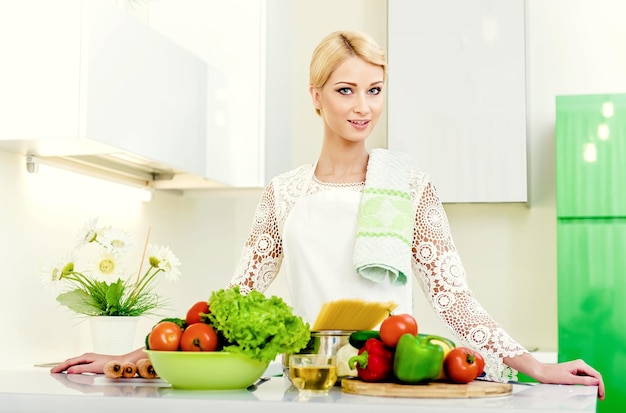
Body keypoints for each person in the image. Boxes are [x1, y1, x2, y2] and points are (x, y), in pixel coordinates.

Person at [51, 29, 605, 400]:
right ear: (316, 97)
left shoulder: (408, 185)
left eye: (374, 90)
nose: (363, 107)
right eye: (346, 90)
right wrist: (139, 353)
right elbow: (234, 300)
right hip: (308, 386)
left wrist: (537, 366)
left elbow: (453, 296)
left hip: (386, 382)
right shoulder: (284, 192)